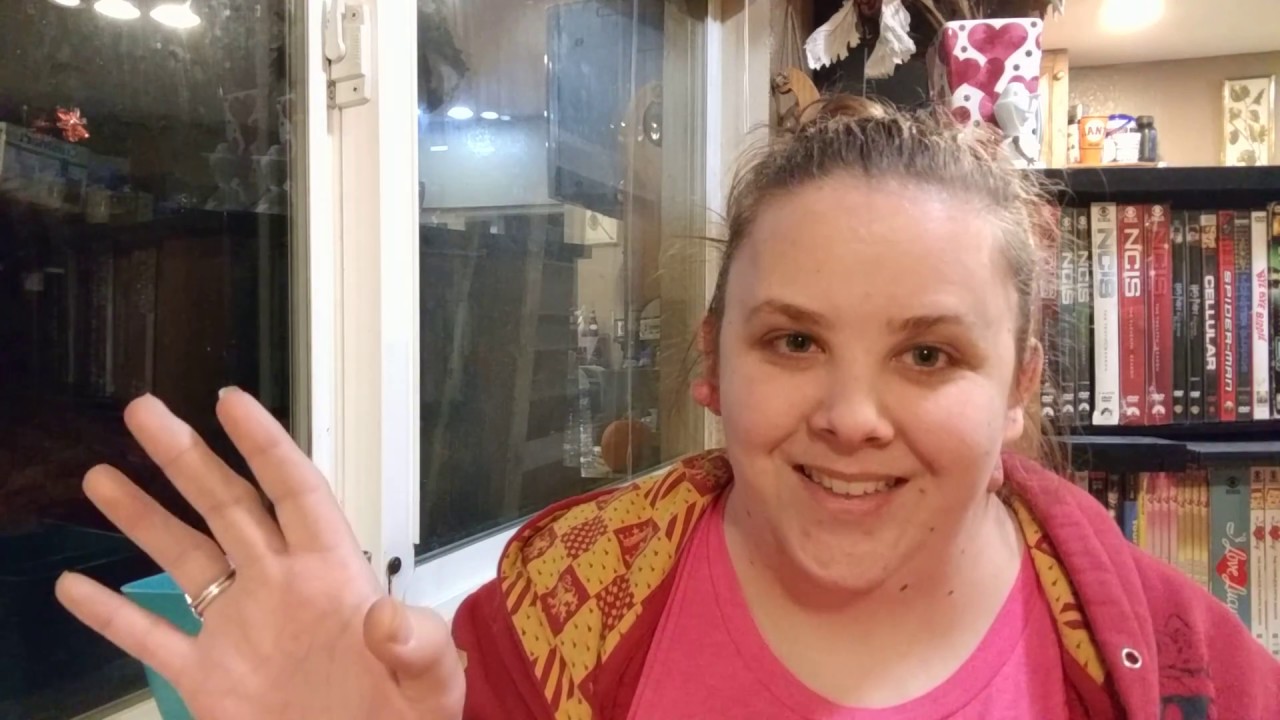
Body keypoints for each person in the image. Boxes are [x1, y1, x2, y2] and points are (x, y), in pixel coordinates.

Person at [56, 96, 1279, 720]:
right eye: (792, 340)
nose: (851, 416)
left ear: (1016, 390)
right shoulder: (551, 616)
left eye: (926, 354)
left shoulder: (1175, 667)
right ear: (710, 364)